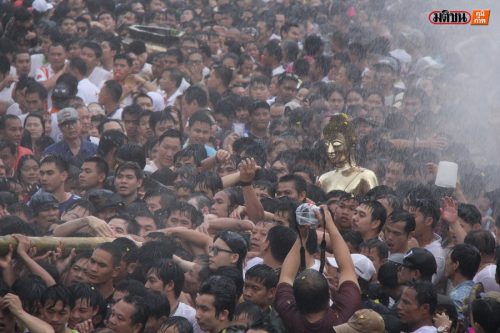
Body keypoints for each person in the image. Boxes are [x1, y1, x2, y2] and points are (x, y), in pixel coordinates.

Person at [274, 206, 361, 332]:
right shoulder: (341, 319)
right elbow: (347, 268)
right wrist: (330, 224)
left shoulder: (288, 312)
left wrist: (302, 237)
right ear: (328, 295)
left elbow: (286, 276)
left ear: (295, 298)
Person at [318, 114, 378, 195]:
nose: (361, 129)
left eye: (365, 126)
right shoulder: (323, 179)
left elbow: (372, 203)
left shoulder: (367, 175)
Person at [145, 259, 196, 324]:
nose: (146, 286)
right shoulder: (142, 310)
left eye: (152, 281)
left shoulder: (190, 317)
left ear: (170, 285)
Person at [445, 243, 480, 320]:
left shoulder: (455, 299)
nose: (446, 262)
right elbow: (472, 330)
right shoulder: (476, 291)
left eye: (447, 258)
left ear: (456, 265)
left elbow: (463, 329)